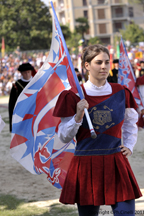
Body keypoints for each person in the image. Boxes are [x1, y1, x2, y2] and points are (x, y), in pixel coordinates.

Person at [53, 44, 142, 216]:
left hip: (116, 162)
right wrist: (77, 116)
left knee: (126, 214)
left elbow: (132, 121)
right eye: (98, 62)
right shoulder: (73, 95)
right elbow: (63, 136)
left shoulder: (121, 92)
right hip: (86, 164)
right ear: (87, 65)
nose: (104, 66)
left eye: (107, 62)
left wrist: (129, 145)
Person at [8, 62, 36, 132]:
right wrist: (12, 122)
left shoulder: (36, 82)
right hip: (21, 115)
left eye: (28, 72)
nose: (27, 74)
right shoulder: (16, 86)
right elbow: (12, 105)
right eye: (25, 72)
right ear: (21, 73)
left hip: (35, 114)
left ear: (31, 72)